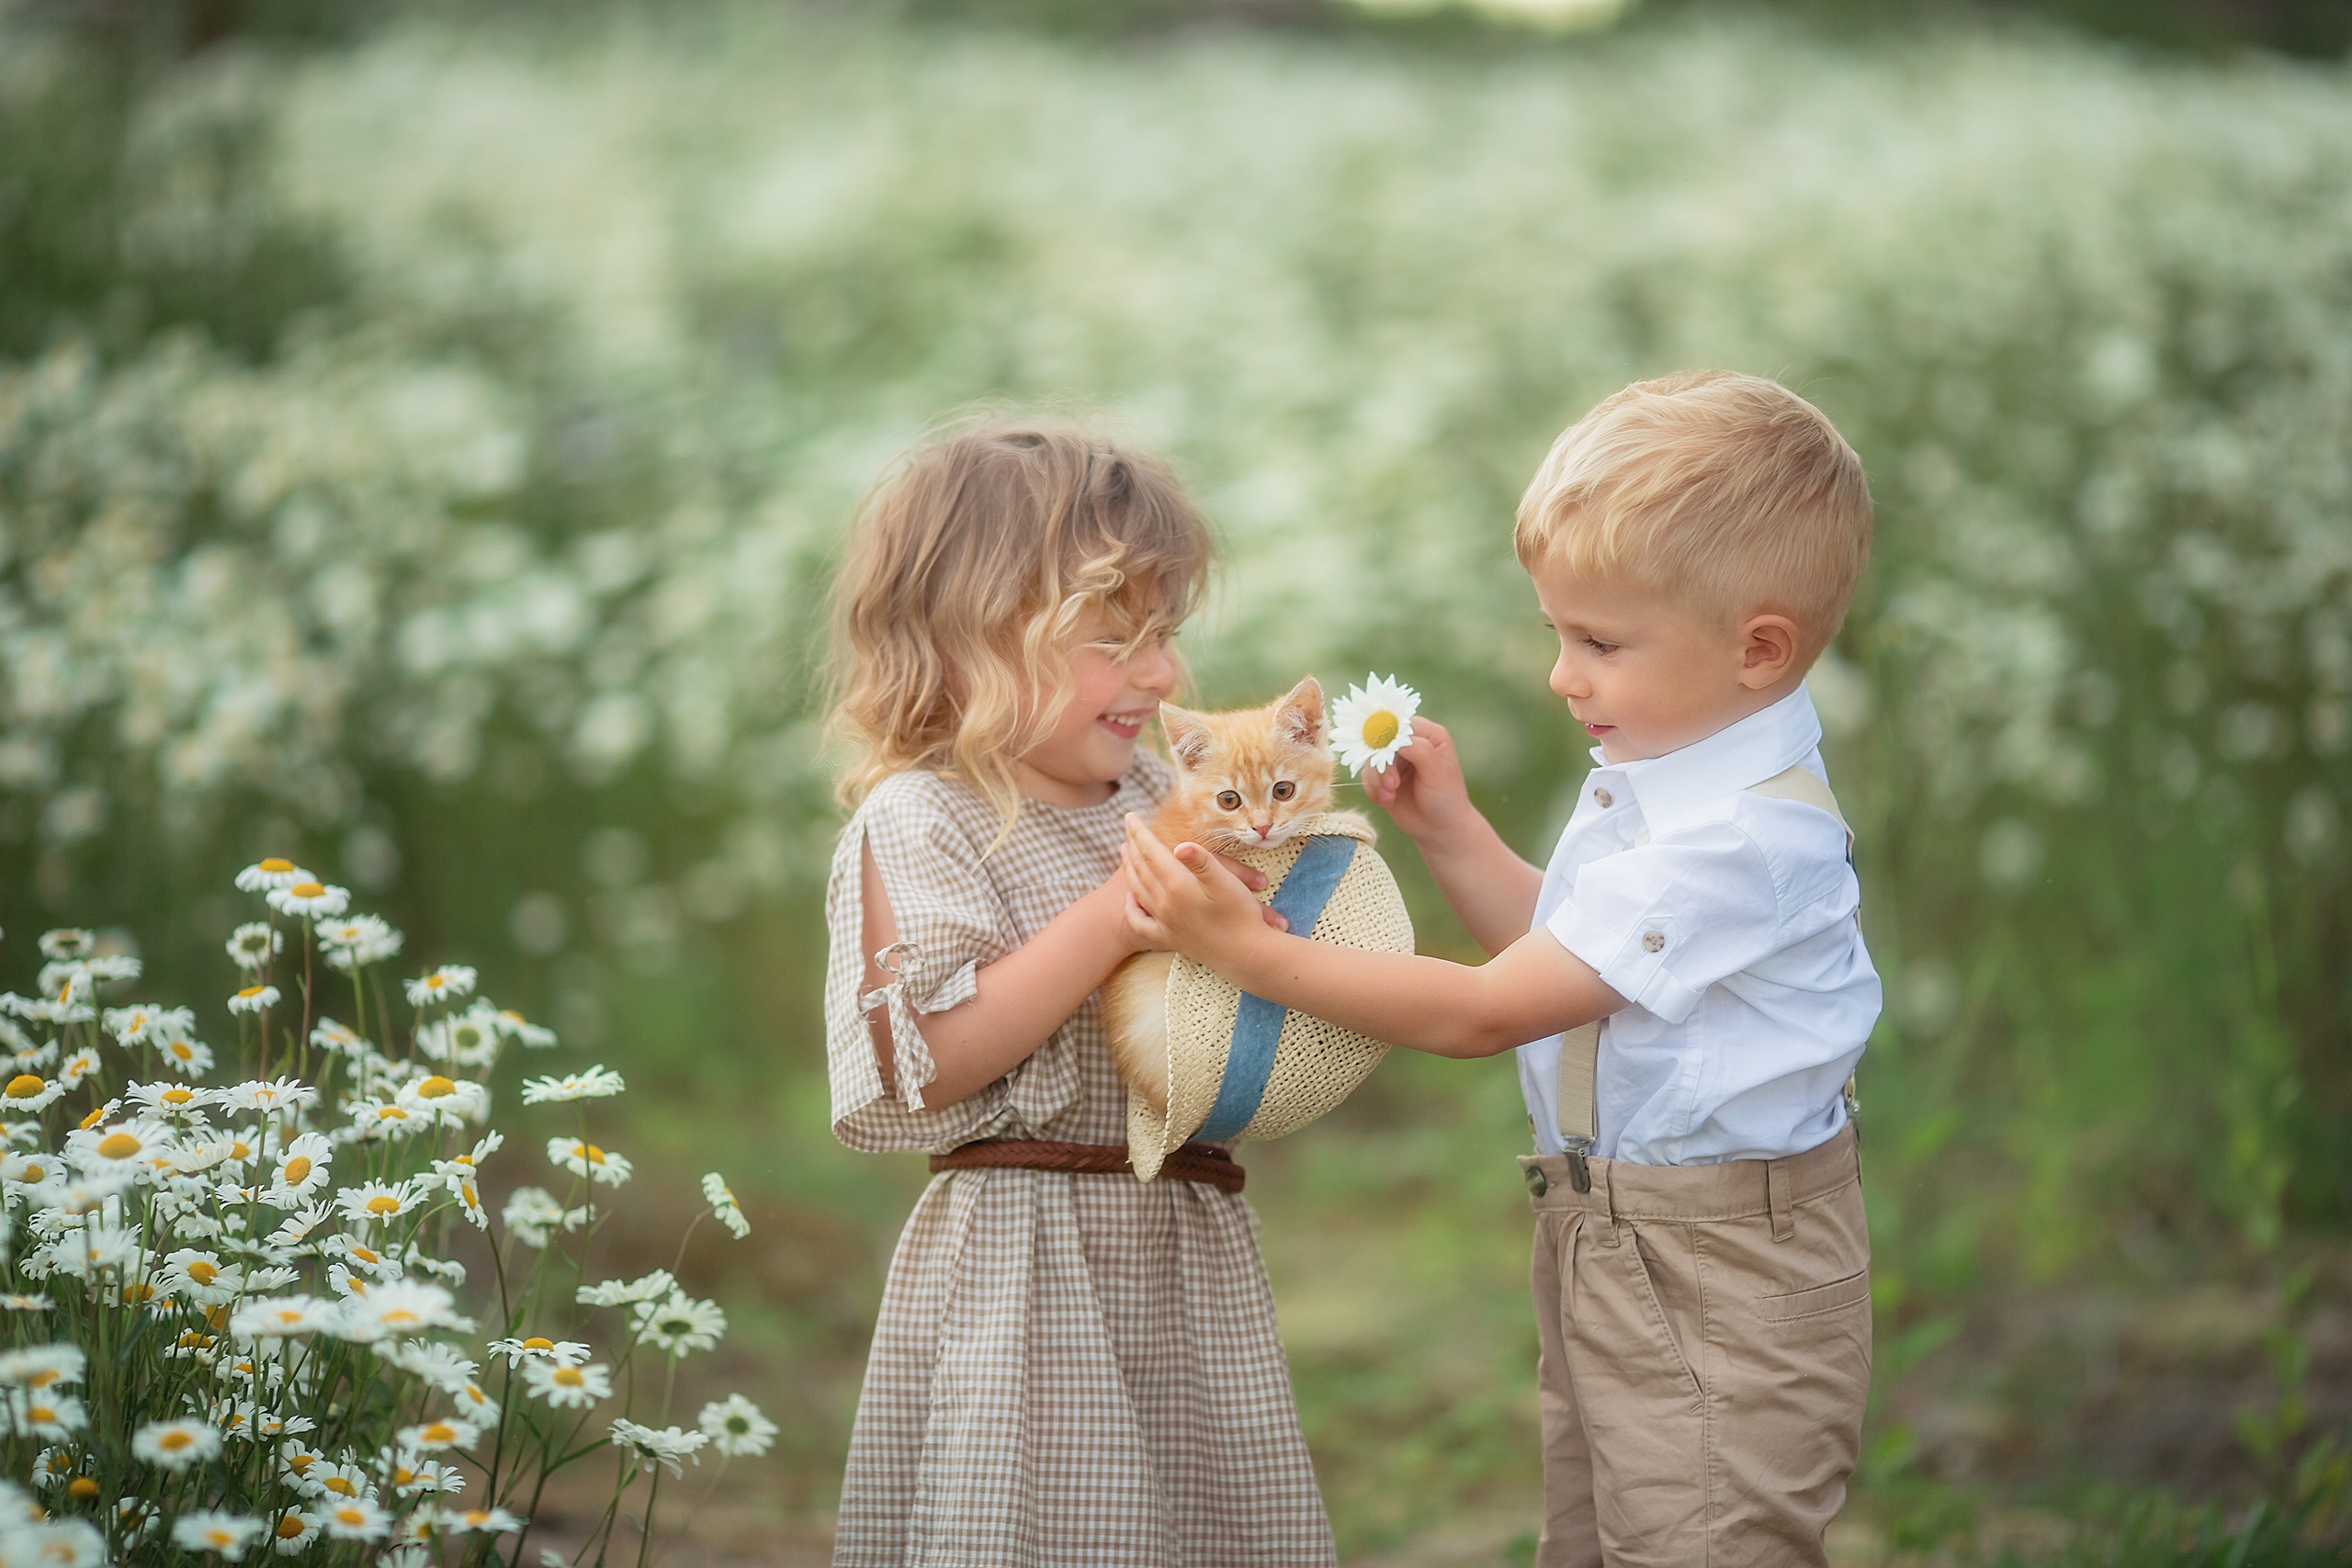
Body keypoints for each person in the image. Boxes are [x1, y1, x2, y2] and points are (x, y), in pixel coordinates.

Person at [1123, 370, 1881, 1568]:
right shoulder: (1659, 780)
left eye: (1600, 642)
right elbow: (1564, 958)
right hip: (1609, 1235)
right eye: (1557, 634)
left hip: (1719, 1263)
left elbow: (1488, 1011)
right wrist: (1453, 834)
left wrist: (1253, 954)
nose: (1562, 675)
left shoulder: (1737, 840)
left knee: (1704, 1537)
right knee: (1598, 1531)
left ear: (1758, 648)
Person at [820, 418, 1336, 1568]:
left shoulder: (1164, 795)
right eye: (1115, 639)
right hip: (1029, 1264)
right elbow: (931, 1059)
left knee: (1205, 1520)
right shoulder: (926, 818)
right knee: (1050, 1526)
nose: (1160, 675)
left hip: (1183, 1247)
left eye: (1167, 634)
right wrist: (1115, 917)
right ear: (965, 648)